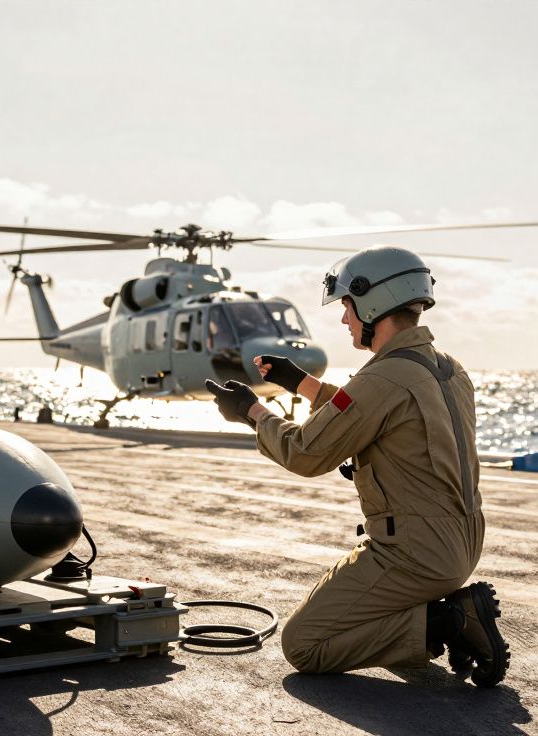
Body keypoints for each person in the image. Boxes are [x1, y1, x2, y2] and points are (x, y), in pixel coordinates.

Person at [205, 246, 508, 688]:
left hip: (414, 554)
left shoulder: (382, 377)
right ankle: (446, 617)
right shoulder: (448, 369)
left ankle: (450, 623)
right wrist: (302, 384)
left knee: (304, 644)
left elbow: (306, 452)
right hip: (462, 544)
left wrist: (252, 412)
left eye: (346, 306)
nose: (344, 318)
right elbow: (372, 414)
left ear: (372, 303)